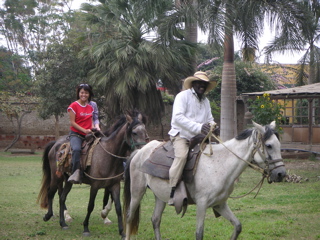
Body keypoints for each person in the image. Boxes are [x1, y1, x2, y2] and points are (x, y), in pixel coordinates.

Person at [168, 71, 217, 205]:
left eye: (204, 84)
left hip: (199, 137)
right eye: (199, 83)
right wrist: (199, 128)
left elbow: (210, 119)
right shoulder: (182, 96)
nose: (202, 85)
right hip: (181, 135)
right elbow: (178, 118)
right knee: (182, 156)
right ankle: (172, 191)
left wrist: (213, 126)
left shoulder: (206, 101)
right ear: (193, 84)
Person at [67, 83, 95, 184]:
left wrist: (94, 129)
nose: (84, 95)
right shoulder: (73, 106)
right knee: (77, 149)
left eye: (86, 93)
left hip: (89, 134)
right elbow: (72, 123)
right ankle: (75, 173)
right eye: (82, 92)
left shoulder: (90, 107)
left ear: (89, 94)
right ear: (78, 93)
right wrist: (84, 130)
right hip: (76, 134)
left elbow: (90, 121)